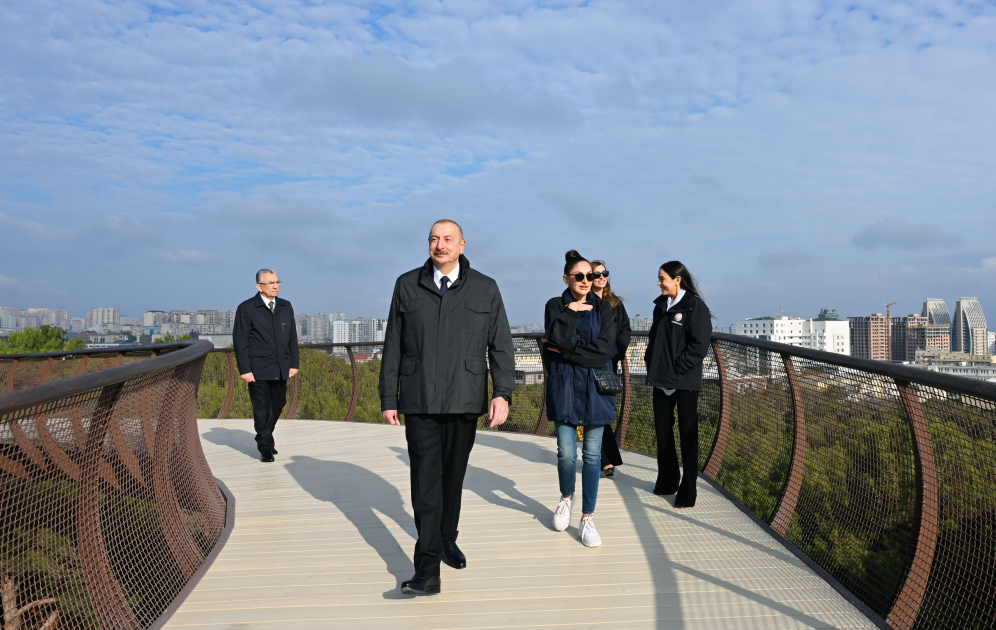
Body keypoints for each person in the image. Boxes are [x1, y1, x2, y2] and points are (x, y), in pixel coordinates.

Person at [379, 219, 516, 596]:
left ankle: (447, 538)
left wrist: (502, 392)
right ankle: (426, 569)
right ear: (428, 245)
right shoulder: (407, 285)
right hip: (420, 398)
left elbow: (501, 345)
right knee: (425, 483)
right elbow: (393, 343)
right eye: (434, 239)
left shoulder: (486, 288)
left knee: (452, 479)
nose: (440, 245)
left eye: (447, 239)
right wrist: (388, 397)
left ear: (462, 244)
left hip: (465, 397)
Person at [545, 250, 618, 547]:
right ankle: (566, 497)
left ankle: (587, 517)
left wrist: (566, 352)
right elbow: (556, 338)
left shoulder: (605, 309)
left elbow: (605, 351)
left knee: (591, 456)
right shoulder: (555, 306)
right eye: (580, 276)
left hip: (596, 391)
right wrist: (572, 311)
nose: (587, 280)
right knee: (566, 452)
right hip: (564, 388)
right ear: (566, 278)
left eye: (591, 276)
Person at [644, 261, 711, 508]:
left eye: (662, 278)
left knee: (687, 436)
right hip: (660, 379)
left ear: (677, 280)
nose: (659, 283)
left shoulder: (695, 307)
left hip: (684, 382)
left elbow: (699, 344)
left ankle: (688, 491)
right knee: (663, 433)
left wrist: (678, 367)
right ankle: (668, 480)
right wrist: (651, 361)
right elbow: (654, 339)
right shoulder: (660, 306)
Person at [232, 269, 300, 463]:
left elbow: (292, 337)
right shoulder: (246, 308)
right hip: (257, 367)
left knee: (278, 404)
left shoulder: (286, 306)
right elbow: (240, 341)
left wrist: (294, 363)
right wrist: (244, 369)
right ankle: (265, 448)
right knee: (262, 408)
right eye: (270, 283)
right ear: (259, 286)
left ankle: (264, 436)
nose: (275, 286)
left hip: (281, 366)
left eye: (277, 282)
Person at [589, 260, 631, 478]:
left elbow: (625, 330)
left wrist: (616, 352)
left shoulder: (615, 304)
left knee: (603, 409)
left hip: (608, 362)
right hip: (587, 362)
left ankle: (604, 458)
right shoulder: (584, 302)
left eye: (604, 273)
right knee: (592, 409)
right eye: (597, 274)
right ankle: (604, 460)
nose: (602, 277)